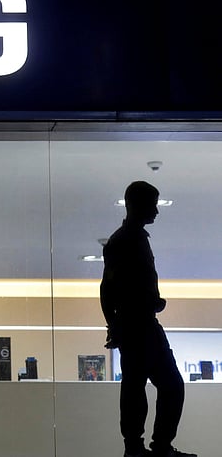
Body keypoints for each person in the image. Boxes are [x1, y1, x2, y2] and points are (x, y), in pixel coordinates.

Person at [100, 181, 196, 457]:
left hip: (138, 324)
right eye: (153, 204)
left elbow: (108, 288)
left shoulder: (132, 239)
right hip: (137, 325)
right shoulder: (125, 241)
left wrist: (114, 323)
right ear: (136, 205)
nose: (156, 210)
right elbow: (107, 288)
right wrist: (114, 323)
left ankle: (143, 446)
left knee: (144, 385)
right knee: (155, 386)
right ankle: (146, 446)